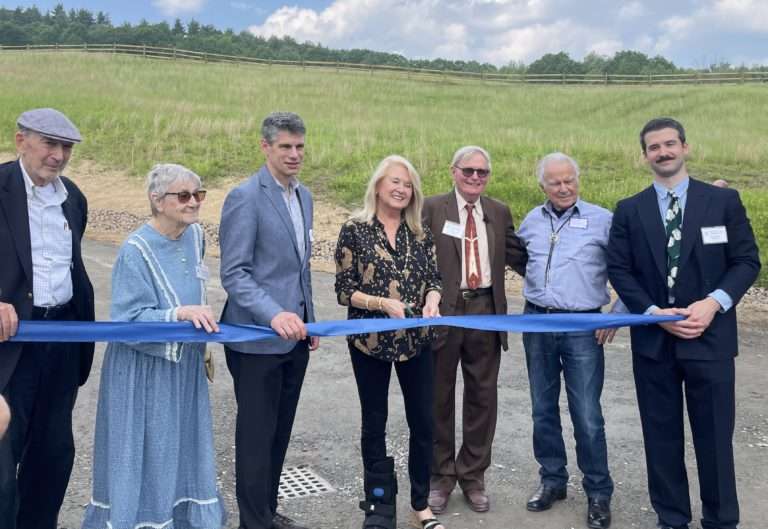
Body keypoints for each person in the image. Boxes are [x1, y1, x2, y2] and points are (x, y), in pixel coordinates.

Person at [606, 117, 760, 529]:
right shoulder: (630, 210)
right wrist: (651, 313)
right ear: (645, 156)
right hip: (655, 342)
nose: (663, 152)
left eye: (670, 144)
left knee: (714, 441)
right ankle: (671, 518)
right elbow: (620, 270)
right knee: (661, 438)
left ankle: (721, 520)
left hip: (709, 338)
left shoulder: (723, 202)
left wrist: (714, 303)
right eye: (654, 147)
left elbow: (747, 262)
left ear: (685, 147)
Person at [81, 163, 226, 529]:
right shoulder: (135, 250)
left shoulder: (196, 237)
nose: (193, 202)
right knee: (146, 452)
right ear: (157, 200)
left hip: (184, 367)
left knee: (183, 448)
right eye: (183, 196)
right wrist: (178, 313)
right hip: (143, 373)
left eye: (199, 194)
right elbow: (126, 321)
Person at [219, 111, 318, 529]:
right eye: (285, 147)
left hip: (295, 340)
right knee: (256, 440)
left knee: (279, 434)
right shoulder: (245, 197)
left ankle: (266, 511)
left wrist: (307, 318)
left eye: (299, 146)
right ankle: (252, 522)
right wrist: (274, 314)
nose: (294, 154)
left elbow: (300, 267)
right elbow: (234, 273)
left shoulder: (304, 196)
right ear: (265, 147)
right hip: (256, 339)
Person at [335, 155, 444, 529]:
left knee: (424, 422)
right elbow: (344, 291)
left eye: (408, 183)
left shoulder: (420, 232)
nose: (401, 189)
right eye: (394, 181)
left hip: (416, 342)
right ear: (378, 186)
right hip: (369, 342)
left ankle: (420, 503)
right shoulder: (354, 229)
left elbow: (434, 279)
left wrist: (432, 299)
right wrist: (382, 303)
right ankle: (379, 506)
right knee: (375, 422)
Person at [0, 108, 95, 529]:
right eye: (49, 144)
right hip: (8, 347)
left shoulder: (73, 197)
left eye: (66, 148)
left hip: (61, 343)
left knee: (53, 456)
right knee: (3, 460)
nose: (58, 156)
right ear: (21, 141)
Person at [516, 152, 619, 529]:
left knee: (587, 414)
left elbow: (629, 267)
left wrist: (617, 312)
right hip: (537, 323)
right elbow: (518, 259)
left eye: (569, 180)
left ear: (578, 180)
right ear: (542, 185)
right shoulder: (531, 220)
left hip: (583, 327)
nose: (563, 188)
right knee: (542, 408)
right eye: (554, 182)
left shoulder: (603, 220)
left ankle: (598, 491)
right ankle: (552, 480)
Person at [422, 146, 527, 514]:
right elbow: (417, 258)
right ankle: (440, 476)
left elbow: (520, 256)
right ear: (453, 171)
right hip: (445, 311)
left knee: (483, 397)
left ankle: (473, 475)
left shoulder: (498, 212)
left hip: (486, 309)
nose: (475, 178)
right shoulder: (432, 208)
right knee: (438, 395)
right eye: (468, 171)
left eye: (482, 172)